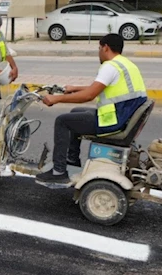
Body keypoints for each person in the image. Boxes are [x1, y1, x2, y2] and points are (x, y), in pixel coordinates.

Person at [36, 33, 147, 184]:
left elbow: (89, 95)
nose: (99, 52)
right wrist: (75, 88)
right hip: (122, 117)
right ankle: (72, 160)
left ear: (105, 48)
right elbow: (99, 88)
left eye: (99, 48)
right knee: (76, 113)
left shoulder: (109, 66)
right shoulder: (125, 64)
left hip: (113, 122)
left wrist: (57, 98)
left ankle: (58, 171)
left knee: (62, 121)